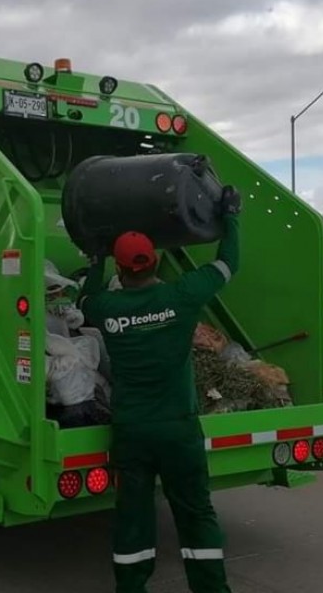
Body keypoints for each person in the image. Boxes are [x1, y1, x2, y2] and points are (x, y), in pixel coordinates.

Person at [78, 186, 242, 593]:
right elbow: (228, 263)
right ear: (155, 261)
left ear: (121, 270)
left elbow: (84, 298)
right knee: (195, 513)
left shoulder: (108, 309)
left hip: (133, 431)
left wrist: (96, 255)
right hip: (178, 431)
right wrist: (230, 216)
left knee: (133, 516)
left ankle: (131, 588)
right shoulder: (182, 295)